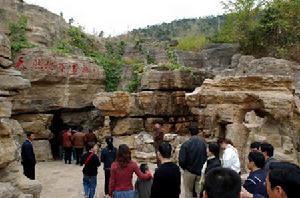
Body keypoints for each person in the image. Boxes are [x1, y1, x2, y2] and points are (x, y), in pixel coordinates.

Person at [179, 126, 207, 197]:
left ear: (189, 133)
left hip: (189, 172)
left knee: (189, 193)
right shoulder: (204, 144)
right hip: (200, 172)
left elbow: (182, 160)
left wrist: (185, 168)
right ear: (198, 132)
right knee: (198, 193)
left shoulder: (186, 144)